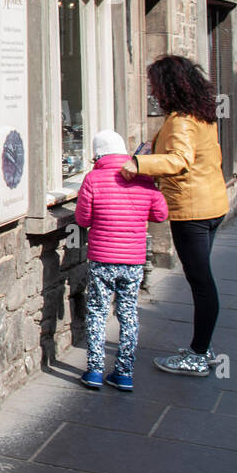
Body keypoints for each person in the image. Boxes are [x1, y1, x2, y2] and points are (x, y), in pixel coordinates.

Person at [120, 55, 229, 376]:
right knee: (202, 280)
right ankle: (202, 346)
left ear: (169, 85)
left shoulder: (181, 120)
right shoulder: (201, 115)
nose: (152, 90)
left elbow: (179, 159)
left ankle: (198, 354)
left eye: (154, 84)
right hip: (212, 204)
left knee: (201, 282)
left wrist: (139, 164)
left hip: (193, 210)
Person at [75, 130, 169, 390]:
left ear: (98, 155)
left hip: (102, 259)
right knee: (128, 314)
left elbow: (83, 219)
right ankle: (124, 372)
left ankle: (94, 371)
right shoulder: (143, 179)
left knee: (97, 311)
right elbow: (161, 214)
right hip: (133, 260)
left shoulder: (93, 179)